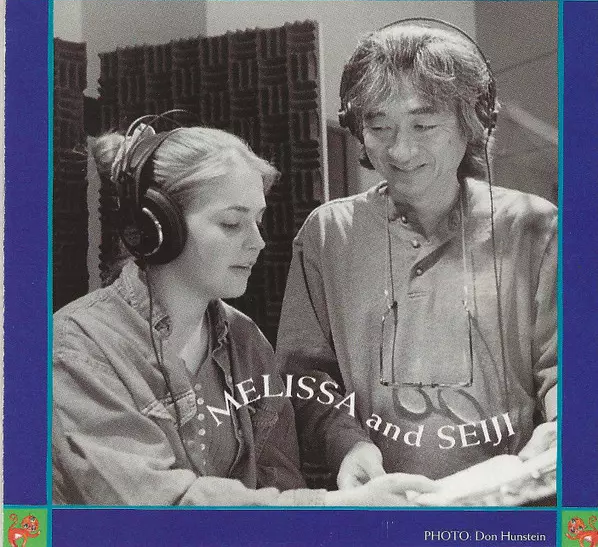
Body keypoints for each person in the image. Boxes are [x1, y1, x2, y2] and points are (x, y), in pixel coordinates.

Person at [52, 123, 436, 506]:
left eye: (258, 220)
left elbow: (278, 480)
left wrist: (349, 451)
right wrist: (335, 506)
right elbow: (162, 510)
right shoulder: (78, 348)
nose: (258, 241)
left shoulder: (245, 339)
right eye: (232, 223)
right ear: (159, 226)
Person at [275, 21, 557, 493]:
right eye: (378, 127)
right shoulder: (328, 234)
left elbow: (564, 362)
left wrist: (563, 425)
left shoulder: (534, 225)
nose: (400, 150)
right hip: (386, 504)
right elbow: (305, 378)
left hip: (513, 503)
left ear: (472, 123)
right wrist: (346, 443)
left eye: (423, 125)